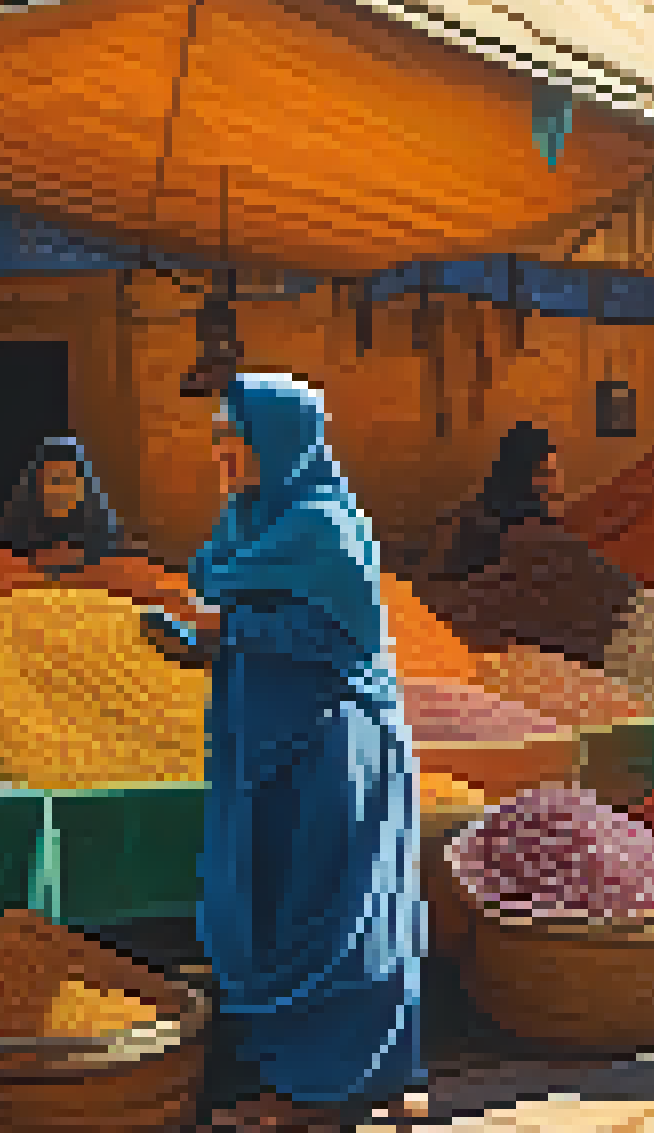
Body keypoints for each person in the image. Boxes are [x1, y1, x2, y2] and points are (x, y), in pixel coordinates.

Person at [140, 374, 427, 1129]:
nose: (222, 452)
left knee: (327, 915)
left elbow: (342, 644)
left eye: (236, 438)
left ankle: (320, 1090)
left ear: (281, 441)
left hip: (328, 744)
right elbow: (239, 620)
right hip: (259, 741)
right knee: (270, 908)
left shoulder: (323, 529)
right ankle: (329, 1078)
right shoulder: (242, 528)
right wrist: (196, 641)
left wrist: (226, 630)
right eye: (217, 438)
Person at [420, 422, 565, 582]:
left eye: (555, 473)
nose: (556, 484)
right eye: (547, 474)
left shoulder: (543, 528)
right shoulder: (485, 525)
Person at [0, 436, 125, 577]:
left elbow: (113, 557)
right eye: (54, 481)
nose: (61, 491)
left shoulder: (99, 521)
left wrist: (79, 558)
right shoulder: (16, 519)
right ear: (38, 482)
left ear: (82, 485)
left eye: (69, 481)